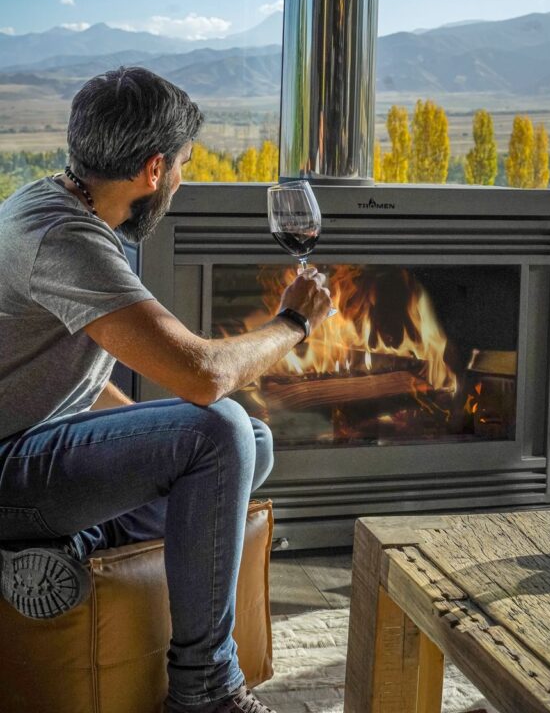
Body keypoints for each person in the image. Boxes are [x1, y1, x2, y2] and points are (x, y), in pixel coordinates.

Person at [0, 66, 331, 713]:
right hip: (8, 468)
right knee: (221, 429)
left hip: (33, 447)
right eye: (182, 164)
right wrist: (293, 322)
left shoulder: (61, 206)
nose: (180, 179)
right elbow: (204, 376)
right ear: (154, 169)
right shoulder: (63, 239)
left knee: (247, 444)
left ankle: (69, 546)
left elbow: (77, 386)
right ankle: (206, 687)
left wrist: (162, 446)